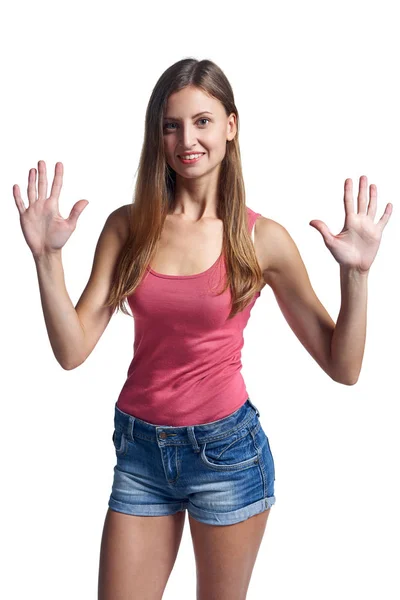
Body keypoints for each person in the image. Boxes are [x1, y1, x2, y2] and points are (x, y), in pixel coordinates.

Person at [13, 58, 393, 600]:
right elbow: (72, 350)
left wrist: (355, 275)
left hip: (227, 455)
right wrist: (46, 260)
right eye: (172, 125)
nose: (187, 139)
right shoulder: (129, 226)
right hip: (141, 452)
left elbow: (344, 366)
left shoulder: (262, 240)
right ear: (158, 135)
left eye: (203, 121)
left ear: (231, 126)